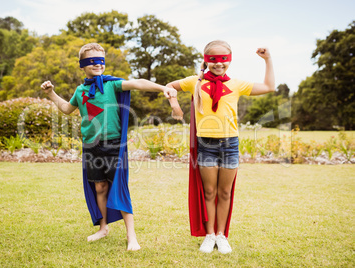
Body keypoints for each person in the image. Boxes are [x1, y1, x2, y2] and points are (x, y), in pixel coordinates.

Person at [41, 43, 177, 251]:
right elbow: (67, 109)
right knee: (100, 187)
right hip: (91, 146)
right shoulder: (80, 90)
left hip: (114, 145)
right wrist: (51, 94)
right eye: (91, 61)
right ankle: (103, 228)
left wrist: (162, 88)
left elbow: (138, 83)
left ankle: (131, 236)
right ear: (82, 65)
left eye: (100, 60)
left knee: (120, 187)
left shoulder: (112, 84)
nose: (97, 64)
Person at [166, 40, 275, 254]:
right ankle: (209, 235)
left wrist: (268, 59)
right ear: (206, 60)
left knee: (225, 192)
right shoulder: (194, 82)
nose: (219, 63)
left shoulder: (236, 84)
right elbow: (169, 86)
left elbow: (270, 87)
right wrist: (175, 105)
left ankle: (221, 235)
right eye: (214, 59)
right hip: (205, 144)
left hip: (230, 144)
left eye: (224, 59)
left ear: (230, 60)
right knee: (209, 191)